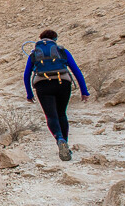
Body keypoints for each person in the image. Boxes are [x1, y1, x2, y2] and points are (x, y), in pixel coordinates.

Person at [24, 29, 90, 161]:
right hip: (63, 83)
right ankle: (65, 142)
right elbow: (76, 71)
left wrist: (29, 94)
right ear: (55, 39)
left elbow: (26, 75)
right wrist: (84, 91)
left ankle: (59, 138)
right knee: (61, 113)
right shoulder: (61, 51)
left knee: (51, 115)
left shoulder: (34, 53)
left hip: (42, 85)